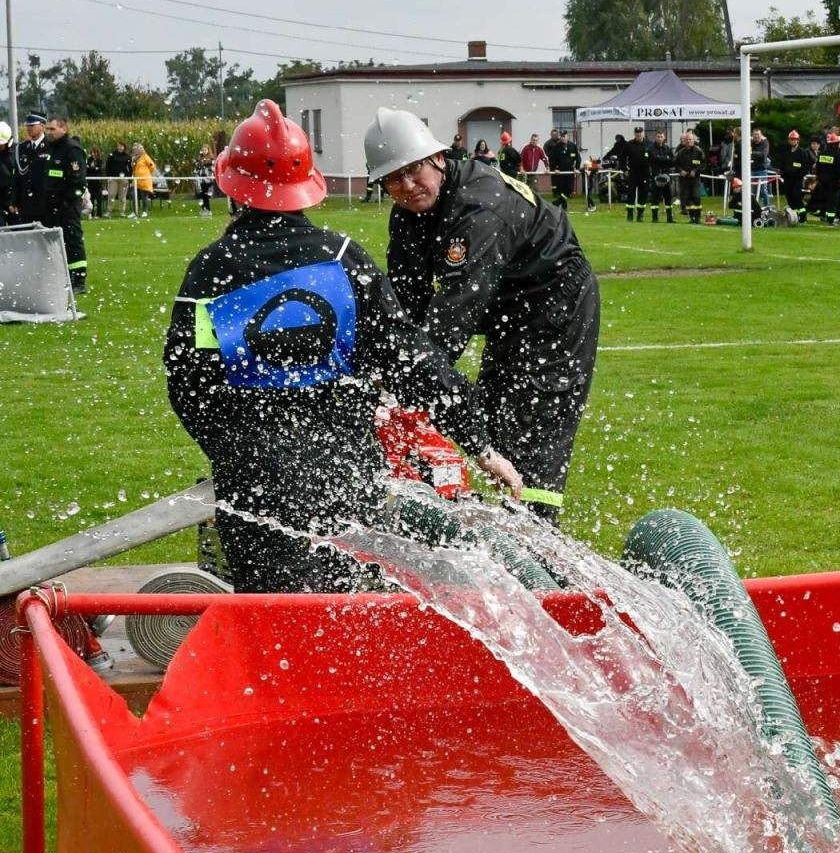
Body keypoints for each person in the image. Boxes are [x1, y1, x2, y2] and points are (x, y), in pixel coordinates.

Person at [165, 100, 522, 594]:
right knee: (352, 620)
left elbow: (189, 385)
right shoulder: (342, 258)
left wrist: (237, 451)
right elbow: (413, 362)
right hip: (347, 475)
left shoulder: (211, 269)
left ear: (233, 186)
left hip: (254, 483)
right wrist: (478, 443)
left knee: (275, 624)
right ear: (307, 187)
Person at [366, 107, 600, 520]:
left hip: (555, 302)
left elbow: (449, 322)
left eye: (414, 170)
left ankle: (539, 543)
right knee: (490, 411)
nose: (407, 185)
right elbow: (405, 306)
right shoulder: (407, 216)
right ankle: (505, 526)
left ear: (437, 158)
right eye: (393, 179)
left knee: (533, 422)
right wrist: (382, 372)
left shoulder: (478, 207)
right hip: (507, 309)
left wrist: (404, 385)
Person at [19, 114, 88, 293]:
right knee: (52, 243)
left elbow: (78, 182)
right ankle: (60, 276)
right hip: (50, 206)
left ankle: (79, 280)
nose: (48, 132)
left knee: (73, 241)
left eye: (52, 129)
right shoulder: (51, 149)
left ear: (63, 129)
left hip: (67, 206)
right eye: (47, 128)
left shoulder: (72, 149)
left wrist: (67, 203)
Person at [808, 131, 840, 226]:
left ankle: (820, 213)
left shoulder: (822, 155)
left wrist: (819, 177)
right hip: (833, 183)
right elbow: (839, 170)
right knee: (832, 202)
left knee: (822, 199)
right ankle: (830, 220)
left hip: (822, 181)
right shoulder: (837, 155)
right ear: (836, 144)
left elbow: (818, 168)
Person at [777, 128, 811, 215]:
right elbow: (782, 164)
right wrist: (782, 174)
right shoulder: (786, 152)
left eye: (794, 140)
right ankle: (794, 215)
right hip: (788, 179)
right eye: (791, 139)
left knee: (797, 197)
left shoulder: (802, 152)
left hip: (797, 179)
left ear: (798, 140)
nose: (792, 141)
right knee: (789, 197)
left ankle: (803, 216)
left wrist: (800, 175)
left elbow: (806, 166)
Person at [674, 130, 704, 223]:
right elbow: (676, 164)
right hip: (684, 179)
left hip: (695, 179)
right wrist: (680, 171)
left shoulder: (698, 151)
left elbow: (703, 164)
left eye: (690, 139)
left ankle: (698, 217)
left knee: (696, 197)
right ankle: (691, 217)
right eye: (687, 139)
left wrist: (695, 171)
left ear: (693, 140)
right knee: (687, 198)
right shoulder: (681, 152)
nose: (688, 141)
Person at [622, 125, 650, 222]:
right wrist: (624, 169)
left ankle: (640, 214)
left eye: (640, 132)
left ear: (643, 133)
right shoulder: (629, 144)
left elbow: (653, 157)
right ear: (635, 134)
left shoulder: (649, 144)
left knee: (643, 193)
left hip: (645, 172)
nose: (639, 134)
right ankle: (630, 214)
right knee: (631, 193)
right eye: (637, 133)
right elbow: (622, 157)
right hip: (633, 172)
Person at [647, 128, 675, 222]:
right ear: (656, 137)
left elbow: (672, 160)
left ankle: (669, 218)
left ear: (664, 137)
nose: (660, 138)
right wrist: (665, 158)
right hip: (656, 176)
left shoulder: (667, 148)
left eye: (661, 137)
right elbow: (654, 159)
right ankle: (655, 218)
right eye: (658, 137)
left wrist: (662, 158)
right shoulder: (651, 148)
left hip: (666, 176)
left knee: (668, 197)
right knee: (655, 198)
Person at [104, 141, 132, 218]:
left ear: (124, 147)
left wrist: (129, 179)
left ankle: (122, 211)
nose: (120, 147)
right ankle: (109, 211)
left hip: (124, 179)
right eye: (118, 146)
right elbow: (107, 166)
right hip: (113, 178)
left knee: (122, 196)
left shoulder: (127, 156)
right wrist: (108, 177)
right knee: (111, 195)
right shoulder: (112, 155)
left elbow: (130, 168)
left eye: (121, 146)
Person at [130, 142, 156, 217]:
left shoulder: (145, 157)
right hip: (136, 180)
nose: (135, 151)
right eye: (134, 149)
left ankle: (145, 211)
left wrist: (146, 174)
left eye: (136, 149)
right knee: (134, 196)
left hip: (144, 180)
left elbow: (152, 167)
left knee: (144, 196)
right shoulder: (134, 158)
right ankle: (134, 212)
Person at [194, 144, 215, 217]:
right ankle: (203, 209)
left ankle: (208, 210)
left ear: (208, 150)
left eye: (205, 150)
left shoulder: (211, 158)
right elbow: (197, 168)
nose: (204, 151)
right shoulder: (200, 158)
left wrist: (204, 165)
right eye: (203, 150)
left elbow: (212, 168)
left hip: (208, 179)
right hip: (201, 179)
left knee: (206, 195)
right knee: (202, 195)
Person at [85, 146, 105, 219]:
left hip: (98, 182)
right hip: (91, 182)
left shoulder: (100, 161)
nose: (93, 154)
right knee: (91, 198)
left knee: (99, 198)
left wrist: (93, 169)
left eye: (95, 152)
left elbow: (100, 170)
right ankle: (92, 214)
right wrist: (93, 169)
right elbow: (87, 170)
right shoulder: (89, 160)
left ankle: (99, 214)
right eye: (92, 152)